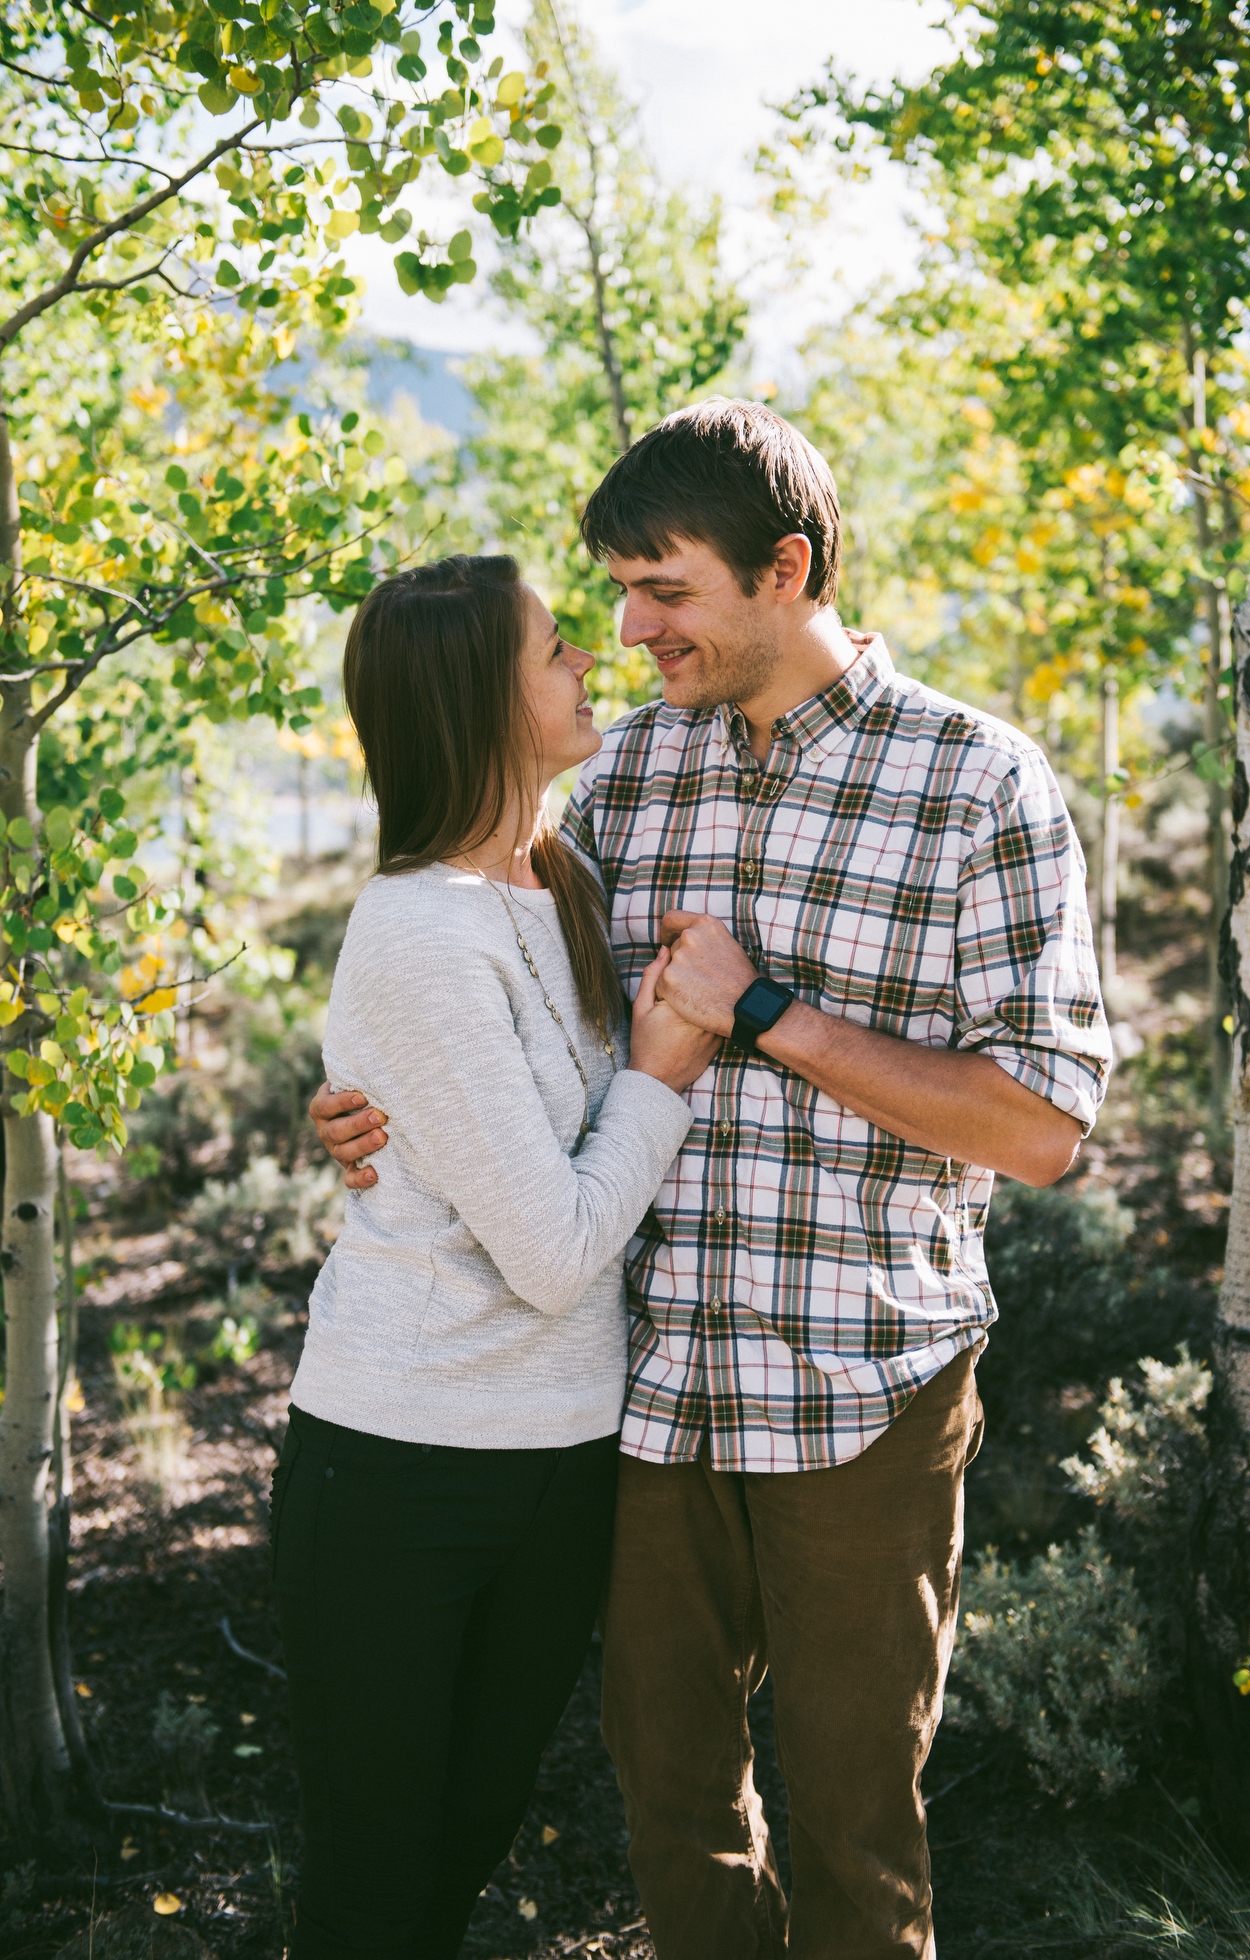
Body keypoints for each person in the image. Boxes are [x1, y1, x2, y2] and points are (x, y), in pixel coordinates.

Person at [311, 402, 1112, 1960]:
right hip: (648, 1383)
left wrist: (773, 1015)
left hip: (862, 1384)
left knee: (857, 1823)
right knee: (673, 1806)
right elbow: (472, 990)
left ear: (785, 569)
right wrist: (354, 1102)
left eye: (663, 591)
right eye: (611, 595)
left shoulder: (977, 785)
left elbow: (1040, 1130)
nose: (628, 631)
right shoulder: (622, 786)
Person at [274, 551, 718, 1960]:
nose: (591, 659)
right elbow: (554, 1249)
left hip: (562, 1454)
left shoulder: (557, 875)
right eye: (556, 649)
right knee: (374, 1881)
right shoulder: (418, 932)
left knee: (465, 1841)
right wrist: (665, 1067)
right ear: (482, 702)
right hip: (402, 1465)